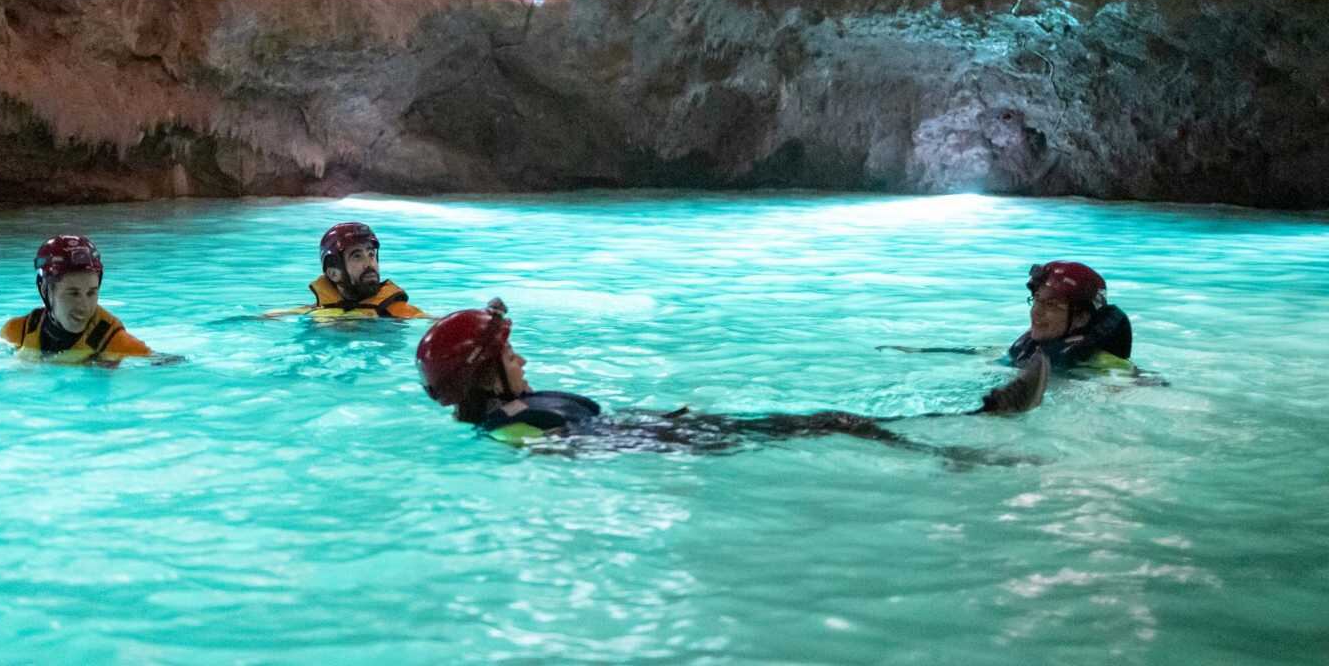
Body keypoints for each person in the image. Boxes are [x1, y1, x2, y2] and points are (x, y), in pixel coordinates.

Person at [415, 300, 1047, 449]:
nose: (522, 360)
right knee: (831, 422)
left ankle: (963, 425)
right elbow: (583, 452)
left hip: (661, 434)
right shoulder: (514, 431)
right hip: (667, 446)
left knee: (826, 421)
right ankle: (970, 433)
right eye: (509, 355)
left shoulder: (512, 415)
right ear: (483, 376)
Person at [880, 261, 1134, 371]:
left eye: (1052, 306)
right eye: (1036, 302)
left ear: (1080, 318)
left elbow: (1137, 385)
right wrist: (921, 352)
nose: (1037, 312)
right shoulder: (1031, 348)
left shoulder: (1102, 366)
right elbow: (985, 351)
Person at [0, 234, 153, 363]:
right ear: (45, 290)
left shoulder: (116, 343)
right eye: (73, 293)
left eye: (91, 293)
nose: (84, 306)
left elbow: (164, 365)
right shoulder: (17, 332)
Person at [265, 222, 428, 320]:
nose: (369, 264)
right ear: (333, 273)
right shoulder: (315, 311)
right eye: (357, 256)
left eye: (371, 254)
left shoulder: (395, 311)